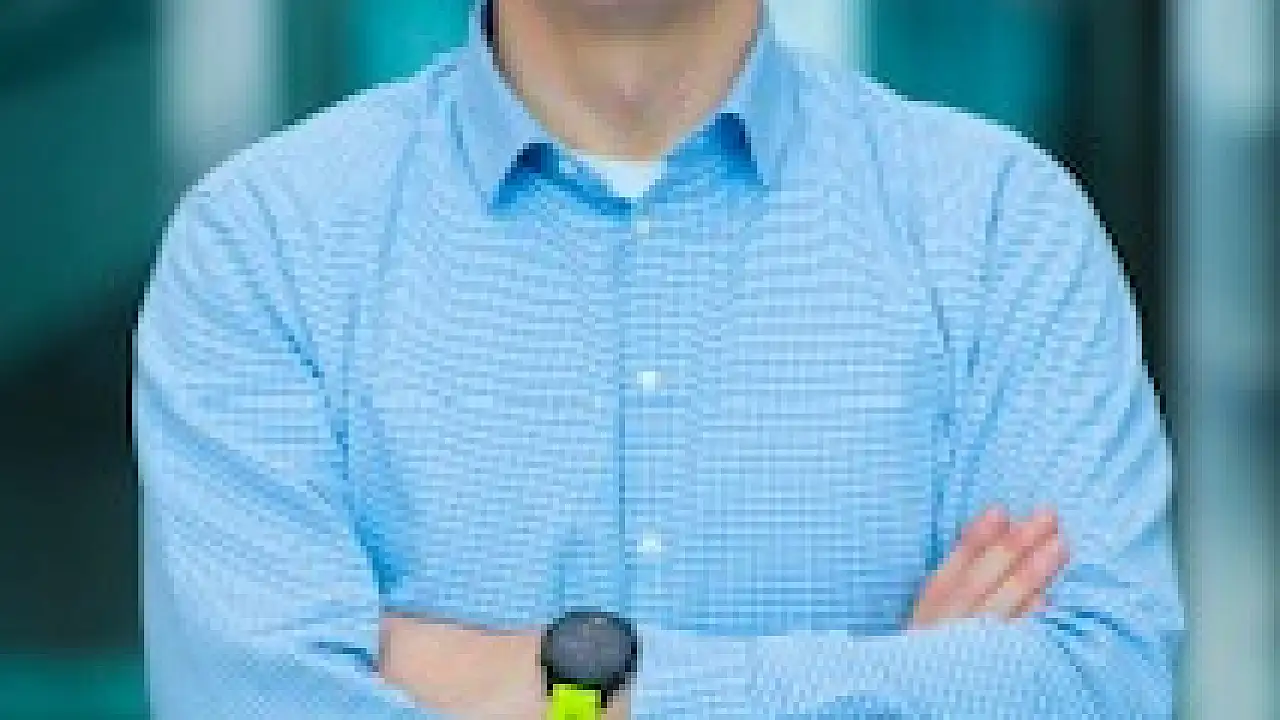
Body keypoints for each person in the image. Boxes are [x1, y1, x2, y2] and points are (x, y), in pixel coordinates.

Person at [134, 0, 1182, 717]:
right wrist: (900, 684)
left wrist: (577, 684)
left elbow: (1099, 684)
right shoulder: (266, 245)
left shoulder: (997, 226)